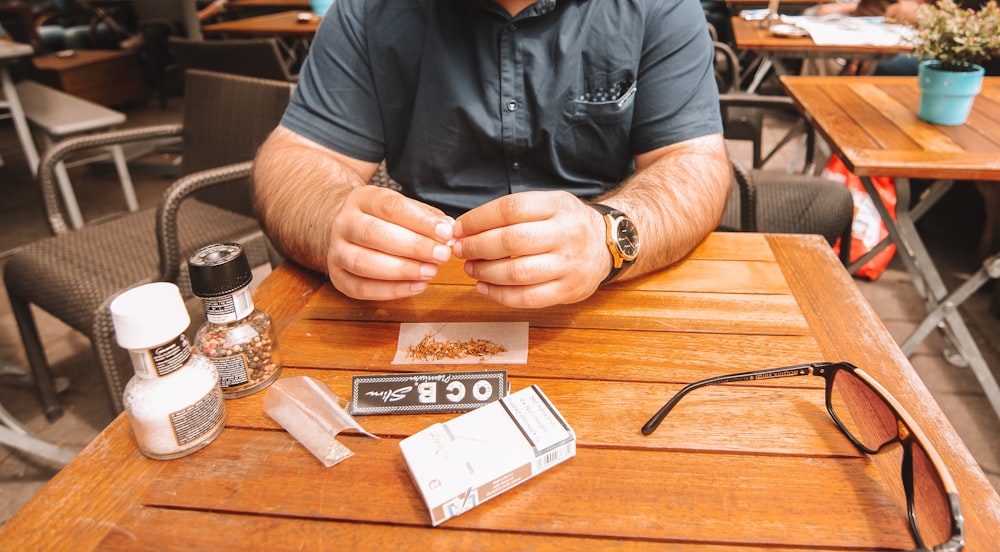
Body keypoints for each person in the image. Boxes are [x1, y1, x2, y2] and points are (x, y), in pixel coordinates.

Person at [253, 0, 732, 309]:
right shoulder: (367, 11)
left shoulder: (658, 7)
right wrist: (331, 219)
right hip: (414, 287)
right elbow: (296, 155)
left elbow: (694, 162)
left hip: (605, 281)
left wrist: (610, 235)